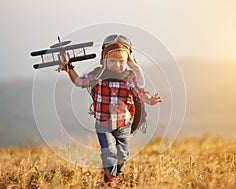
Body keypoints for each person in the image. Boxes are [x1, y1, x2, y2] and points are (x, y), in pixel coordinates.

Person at [61, 34, 162, 186]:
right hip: (103, 124)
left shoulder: (129, 78)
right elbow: (80, 82)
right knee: (109, 153)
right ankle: (110, 179)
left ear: (127, 62)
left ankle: (118, 174)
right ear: (104, 60)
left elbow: (139, 93)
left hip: (124, 124)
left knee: (123, 154)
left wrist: (149, 100)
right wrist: (69, 69)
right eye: (112, 61)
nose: (117, 65)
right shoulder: (98, 75)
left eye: (121, 61)